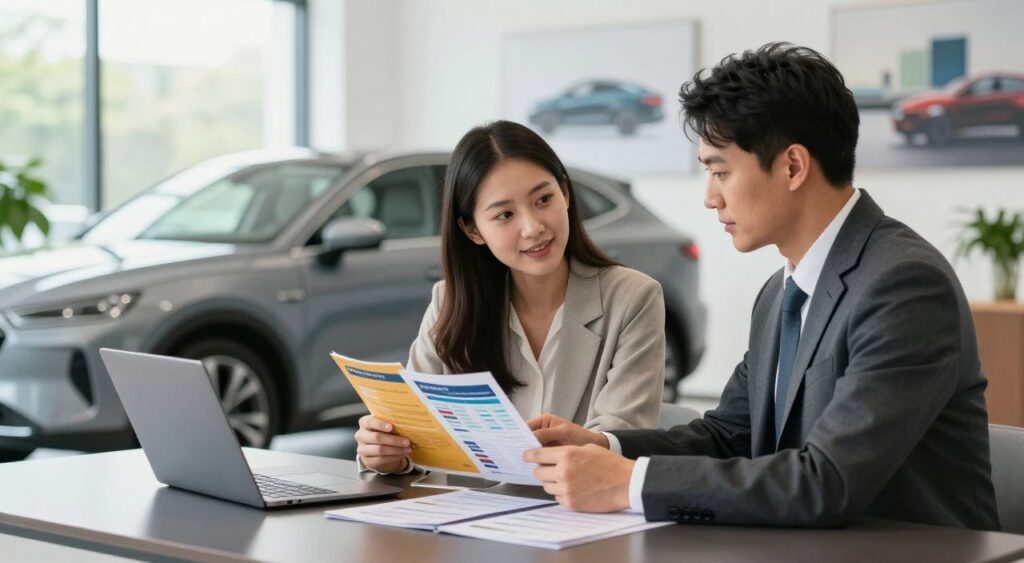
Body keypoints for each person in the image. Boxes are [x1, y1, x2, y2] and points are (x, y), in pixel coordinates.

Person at [524, 43, 1000, 530]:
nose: (710, 198)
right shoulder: (780, 292)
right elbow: (729, 435)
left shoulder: (904, 285)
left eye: (719, 171)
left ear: (793, 166)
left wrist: (628, 483)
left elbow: (826, 482)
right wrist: (604, 447)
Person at [356, 120, 666, 474]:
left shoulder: (632, 299)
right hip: (465, 519)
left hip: (579, 515)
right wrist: (388, 453)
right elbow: (416, 434)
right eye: (505, 214)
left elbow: (623, 439)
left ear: (565, 193)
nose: (533, 227)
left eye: (543, 199)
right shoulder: (450, 302)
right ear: (472, 230)